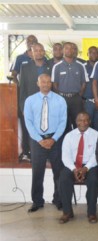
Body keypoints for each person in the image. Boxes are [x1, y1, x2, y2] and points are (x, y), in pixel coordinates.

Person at [23, 74, 67, 212]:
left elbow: (63, 122)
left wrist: (53, 139)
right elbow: (28, 122)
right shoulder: (30, 100)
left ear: (51, 84)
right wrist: (39, 140)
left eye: (48, 82)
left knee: (58, 172)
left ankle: (58, 199)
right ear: (38, 83)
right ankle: (37, 201)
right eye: (43, 82)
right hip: (37, 141)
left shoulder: (60, 100)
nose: (46, 84)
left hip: (56, 139)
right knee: (37, 172)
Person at [59, 112, 98, 224]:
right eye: (80, 120)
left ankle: (91, 213)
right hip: (73, 165)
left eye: (86, 120)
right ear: (76, 122)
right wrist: (74, 169)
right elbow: (65, 156)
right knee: (63, 178)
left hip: (90, 165)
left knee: (93, 180)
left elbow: (97, 155)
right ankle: (67, 212)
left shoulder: (96, 135)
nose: (83, 123)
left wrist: (86, 168)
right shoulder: (69, 136)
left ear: (90, 121)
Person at [19, 43, 50, 162]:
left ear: (44, 51)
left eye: (40, 50)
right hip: (31, 105)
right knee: (30, 130)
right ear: (31, 53)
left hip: (47, 103)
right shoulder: (25, 67)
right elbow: (23, 89)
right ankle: (29, 153)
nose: (38, 52)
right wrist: (23, 108)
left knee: (45, 128)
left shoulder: (50, 65)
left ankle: (46, 154)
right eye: (35, 50)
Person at [10, 34, 38, 162]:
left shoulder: (41, 57)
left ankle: (37, 151)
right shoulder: (20, 58)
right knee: (27, 126)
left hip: (39, 98)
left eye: (34, 41)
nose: (31, 43)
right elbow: (14, 74)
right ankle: (26, 152)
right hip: (25, 95)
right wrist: (18, 86)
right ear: (26, 43)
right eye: (29, 41)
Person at [52, 42, 88, 133]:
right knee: (63, 124)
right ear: (63, 50)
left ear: (74, 50)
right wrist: (60, 95)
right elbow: (55, 83)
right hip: (62, 98)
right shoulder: (57, 66)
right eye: (67, 48)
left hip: (76, 99)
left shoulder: (80, 66)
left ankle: (78, 145)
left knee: (79, 123)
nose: (69, 50)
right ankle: (64, 145)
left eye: (72, 48)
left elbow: (84, 83)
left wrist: (79, 95)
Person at [83, 46, 98, 131]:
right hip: (88, 102)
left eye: (95, 52)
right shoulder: (83, 67)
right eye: (91, 52)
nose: (93, 54)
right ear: (87, 54)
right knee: (87, 125)